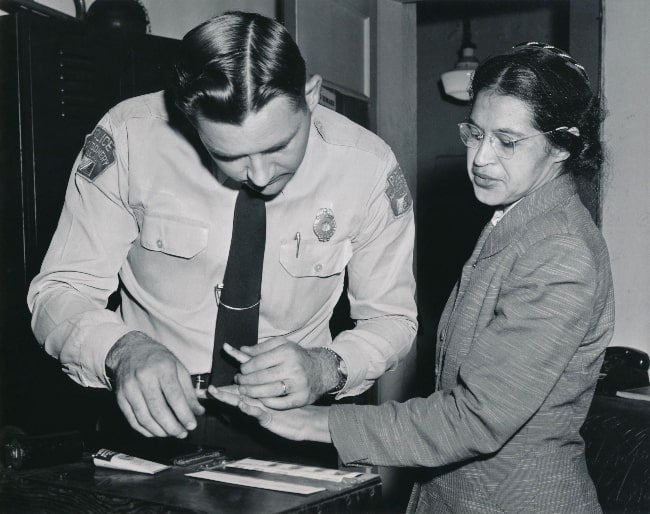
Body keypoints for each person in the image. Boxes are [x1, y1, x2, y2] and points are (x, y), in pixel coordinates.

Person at [211, 42, 615, 513]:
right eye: (475, 133)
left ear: (561, 147)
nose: (481, 158)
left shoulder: (559, 251)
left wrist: (311, 423)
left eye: (507, 142)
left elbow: (477, 418)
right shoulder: (520, 220)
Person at [27, 11, 417, 456]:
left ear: (310, 95)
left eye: (279, 146)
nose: (260, 175)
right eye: (228, 155)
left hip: (296, 427)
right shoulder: (130, 137)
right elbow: (59, 291)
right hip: (150, 424)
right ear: (188, 118)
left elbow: (394, 319)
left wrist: (327, 367)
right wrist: (122, 349)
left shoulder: (367, 167)